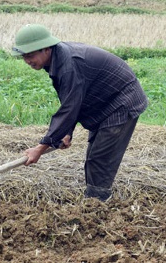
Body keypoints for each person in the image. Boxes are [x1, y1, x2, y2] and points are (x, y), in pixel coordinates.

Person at [11, 24, 149, 202]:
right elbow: (72, 99)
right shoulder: (57, 59)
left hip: (121, 102)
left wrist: (41, 147)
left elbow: (69, 108)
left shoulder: (69, 64)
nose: (27, 61)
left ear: (45, 48)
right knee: (94, 157)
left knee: (100, 159)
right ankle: (95, 200)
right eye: (24, 57)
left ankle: (96, 205)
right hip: (103, 103)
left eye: (30, 55)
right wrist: (67, 132)